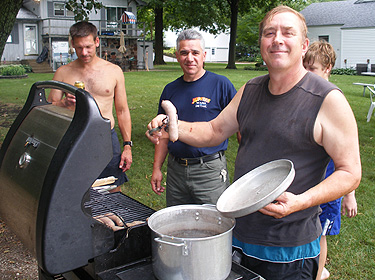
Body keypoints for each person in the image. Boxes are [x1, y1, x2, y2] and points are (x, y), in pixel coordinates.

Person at [146, 6, 361, 280]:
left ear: (304, 45)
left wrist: (301, 201)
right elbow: (214, 130)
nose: (277, 39)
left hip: (289, 249)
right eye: (269, 33)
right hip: (239, 236)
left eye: (287, 33)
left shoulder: (327, 100)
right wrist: (172, 127)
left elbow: (350, 172)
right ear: (262, 44)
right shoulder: (250, 90)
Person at [150, 29, 237, 206]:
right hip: (176, 171)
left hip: (209, 171)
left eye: (195, 52)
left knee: (214, 222)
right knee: (178, 224)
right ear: (177, 56)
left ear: (204, 55)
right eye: (184, 53)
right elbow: (163, 135)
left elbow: (242, 127)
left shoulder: (221, 85)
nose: (190, 58)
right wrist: (157, 168)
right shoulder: (170, 90)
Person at [48, 21, 132, 193]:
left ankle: (112, 218)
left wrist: (127, 146)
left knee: (112, 187)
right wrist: (63, 104)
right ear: (73, 45)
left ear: (97, 42)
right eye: (79, 48)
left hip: (105, 137)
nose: (84, 52)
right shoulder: (63, 72)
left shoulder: (113, 71)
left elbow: (122, 111)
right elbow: (48, 109)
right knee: (76, 189)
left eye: (88, 46)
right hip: (73, 137)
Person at [303, 40, 358, 280]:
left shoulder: (335, 102)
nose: (306, 73)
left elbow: (349, 159)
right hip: (307, 182)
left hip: (329, 187)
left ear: (328, 67)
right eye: (304, 66)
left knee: (319, 234)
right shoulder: (304, 97)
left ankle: (319, 274)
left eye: (311, 68)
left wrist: (350, 194)